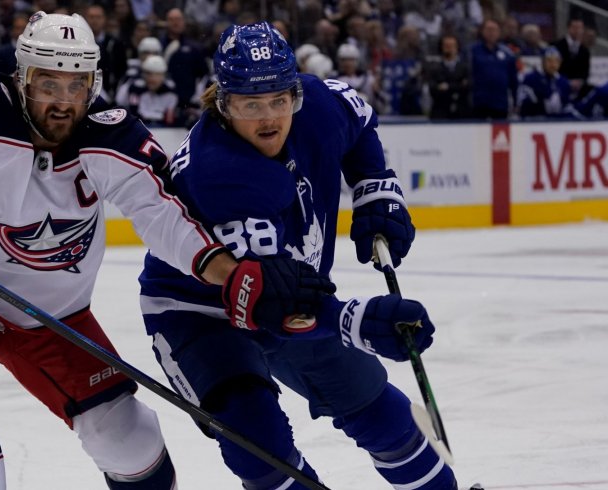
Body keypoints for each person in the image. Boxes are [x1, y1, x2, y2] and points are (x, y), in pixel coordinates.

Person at [0, 12, 322, 490]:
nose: (62, 103)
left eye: (76, 87)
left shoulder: (112, 135)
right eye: (47, 85)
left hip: (49, 312)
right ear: (22, 78)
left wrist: (230, 272)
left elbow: (164, 213)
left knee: (129, 438)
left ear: (93, 84)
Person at [138, 22, 457, 489]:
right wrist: (357, 320)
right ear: (223, 104)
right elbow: (272, 300)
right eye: (251, 104)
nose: (268, 118)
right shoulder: (217, 172)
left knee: (380, 412)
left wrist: (374, 189)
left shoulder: (318, 106)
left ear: (295, 95)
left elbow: (361, 118)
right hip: (199, 312)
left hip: (295, 293)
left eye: (278, 101)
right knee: (258, 445)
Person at [470, 18, 517, 119]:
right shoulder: (472, 51)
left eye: (494, 30)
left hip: (500, 102)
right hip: (479, 102)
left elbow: (513, 78)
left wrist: (515, 100)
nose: (492, 33)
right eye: (489, 29)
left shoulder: (507, 53)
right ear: (482, 31)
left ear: (499, 32)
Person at [517, 47, 571, 119]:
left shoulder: (563, 81)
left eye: (556, 61)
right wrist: (542, 103)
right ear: (543, 61)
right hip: (534, 121)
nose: (553, 65)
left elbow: (566, 105)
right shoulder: (531, 79)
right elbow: (522, 105)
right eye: (549, 61)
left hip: (557, 123)